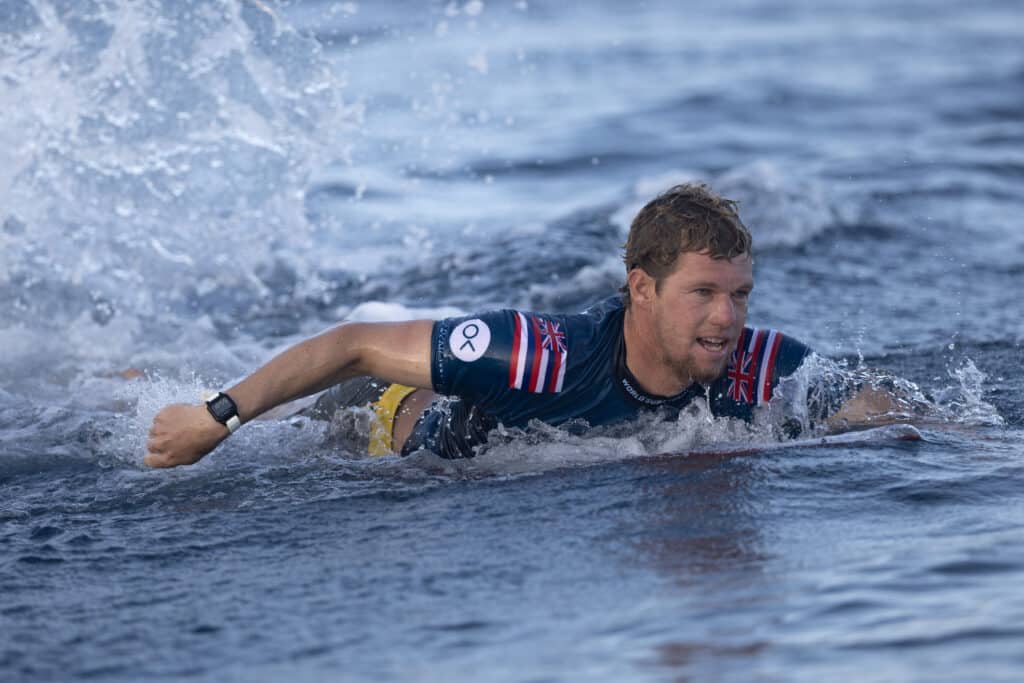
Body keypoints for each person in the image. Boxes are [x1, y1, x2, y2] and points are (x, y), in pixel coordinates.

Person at [144, 183, 893, 468]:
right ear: (642, 287)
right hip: (377, 416)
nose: (728, 318)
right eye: (703, 293)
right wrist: (216, 419)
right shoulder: (540, 355)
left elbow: (879, 408)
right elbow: (351, 345)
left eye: (740, 294)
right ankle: (131, 386)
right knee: (179, 407)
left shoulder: (761, 367)